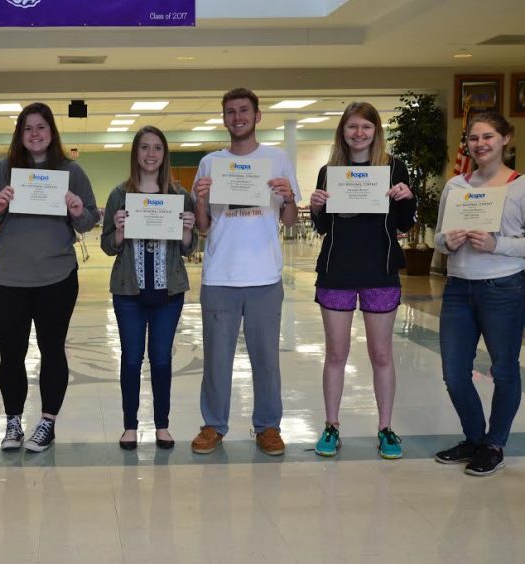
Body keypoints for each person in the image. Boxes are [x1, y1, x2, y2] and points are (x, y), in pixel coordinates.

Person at [0, 102, 100, 452]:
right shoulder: (3, 169)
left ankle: (47, 422)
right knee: (11, 353)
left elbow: (89, 219)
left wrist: (77, 210)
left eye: (41, 127)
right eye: (27, 128)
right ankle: (13, 421)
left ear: (51, 132)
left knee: (52, 350)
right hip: (10, 278)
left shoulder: (71, 171)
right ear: (20, 133)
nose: (34, 134)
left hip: (56, 276)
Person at [190, 87, 301, 456]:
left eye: (243, 110)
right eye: (230, 112)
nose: (237, 117)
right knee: (216, 359)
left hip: (265, 277)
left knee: (266, 358)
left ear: (257, 116)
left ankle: (268, 426)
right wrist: (202, 200)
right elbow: (203, 227)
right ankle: (213, 424)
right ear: (224, 118)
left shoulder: (278, 159)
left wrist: (288, 197)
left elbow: (289, 222)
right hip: (220, 276)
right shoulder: (210, 163)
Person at [308, 102, 416, 459]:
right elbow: (323, 227)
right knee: (336, 353)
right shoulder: (330, 170)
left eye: (365, 127)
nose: (358, 133)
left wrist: (407, 198)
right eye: (352, 127)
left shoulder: (393, 167)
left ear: (375, 131)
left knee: (381, 353)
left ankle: (386, 428)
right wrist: (318, 206)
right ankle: (331, 426)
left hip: (379, 270)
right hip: (337, 271)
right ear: (343, 131)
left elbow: (403, 224)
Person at [434, 111, 523, 476]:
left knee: (503, 370)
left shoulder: (519, 186)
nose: (479, 144)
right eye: (473, 138)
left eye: (487, 137)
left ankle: (494, 443)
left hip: (504, 288)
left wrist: (497, 244)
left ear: (505, 139)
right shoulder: (456, 186)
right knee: (454, 372)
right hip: (458, 288)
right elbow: (439, 236)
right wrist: (448, 241)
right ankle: (474, 437)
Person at [100, 126, 196, 450]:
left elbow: (187, 248)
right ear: (135, 153)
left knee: (161, 359)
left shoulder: (180, 195)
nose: (151, 154)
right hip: (128, 292)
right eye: (144, 147)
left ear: (164, 154)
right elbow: (107, 247)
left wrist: (186, 231)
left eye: (157, 148)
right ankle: (129, 425)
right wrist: (119, 232)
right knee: (130, 358)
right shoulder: (119, 194)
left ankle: (162, 425)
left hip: (169, 293)